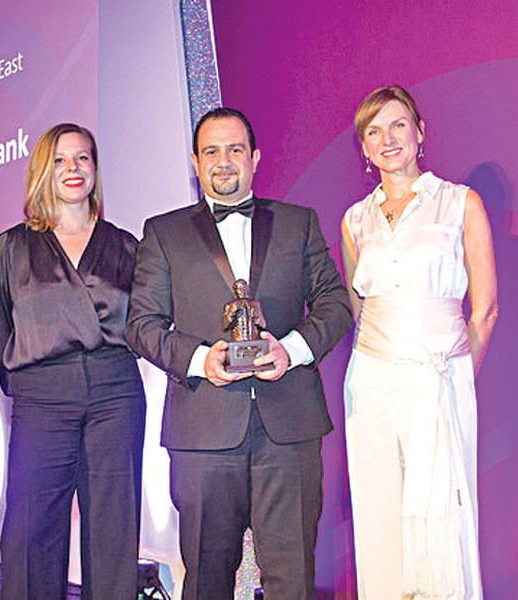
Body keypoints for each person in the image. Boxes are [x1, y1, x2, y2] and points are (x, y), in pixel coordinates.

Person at [126, 107, 351, 599]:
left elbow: (336, 304)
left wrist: (290, 350)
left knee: (292, 582)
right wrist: (201, 359)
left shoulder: (298, 223)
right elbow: (141, 325)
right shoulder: (163, 233)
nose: (223, 161)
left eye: (234, 149)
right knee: (206, 583)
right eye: (211, 151)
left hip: (289, 432)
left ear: (255, 158)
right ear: (195, 162)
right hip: (203, 434)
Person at [341, 86, 498, 600]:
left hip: (439, 378)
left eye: (398, 125)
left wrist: (455, 376)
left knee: (446, 513)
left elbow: (485, 310)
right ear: (365, 148)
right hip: (371, 383)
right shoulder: (355, 219)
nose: (388, 139)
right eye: (374, 131)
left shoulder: (459, 202)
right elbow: (359, 309)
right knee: (379, 514)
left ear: (420, 132)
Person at [0, 123, 146, 599]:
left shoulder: (126, 245)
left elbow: (145, 323)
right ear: (42, 170)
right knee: (31, 531)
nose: (73, 168)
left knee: (114, 531)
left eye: (82, 158)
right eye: (59, 159)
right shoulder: (10, 248)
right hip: (42, 398)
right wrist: (32, 383)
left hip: (115, 394)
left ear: (95, 169)